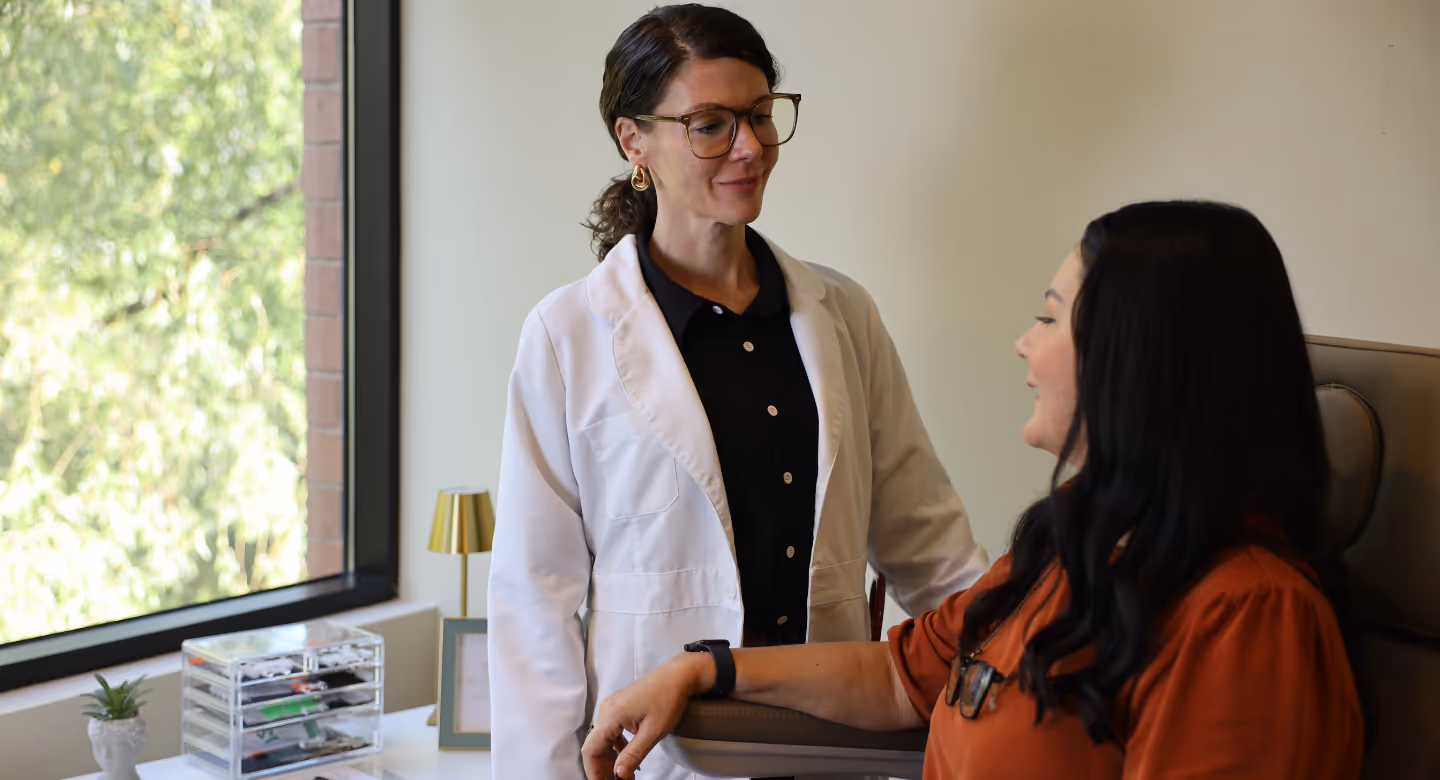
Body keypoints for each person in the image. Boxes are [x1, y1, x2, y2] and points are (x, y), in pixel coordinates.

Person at [583, 201, 1367, 780]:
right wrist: (706, 669)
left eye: (1050, 319)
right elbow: (897, 675)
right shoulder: (1067, 555)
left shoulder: (1248, 616)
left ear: (1140, 363)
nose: (1025, 343)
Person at [487, 5, 988, 778]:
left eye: (759, 115)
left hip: (831, 747)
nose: (748, 147)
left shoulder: (842, 316)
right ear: (634, 141)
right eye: (710, 124)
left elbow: (931, 548)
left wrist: (1037, 663)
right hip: (655, 760)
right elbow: (534, 602)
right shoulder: (567, 335)